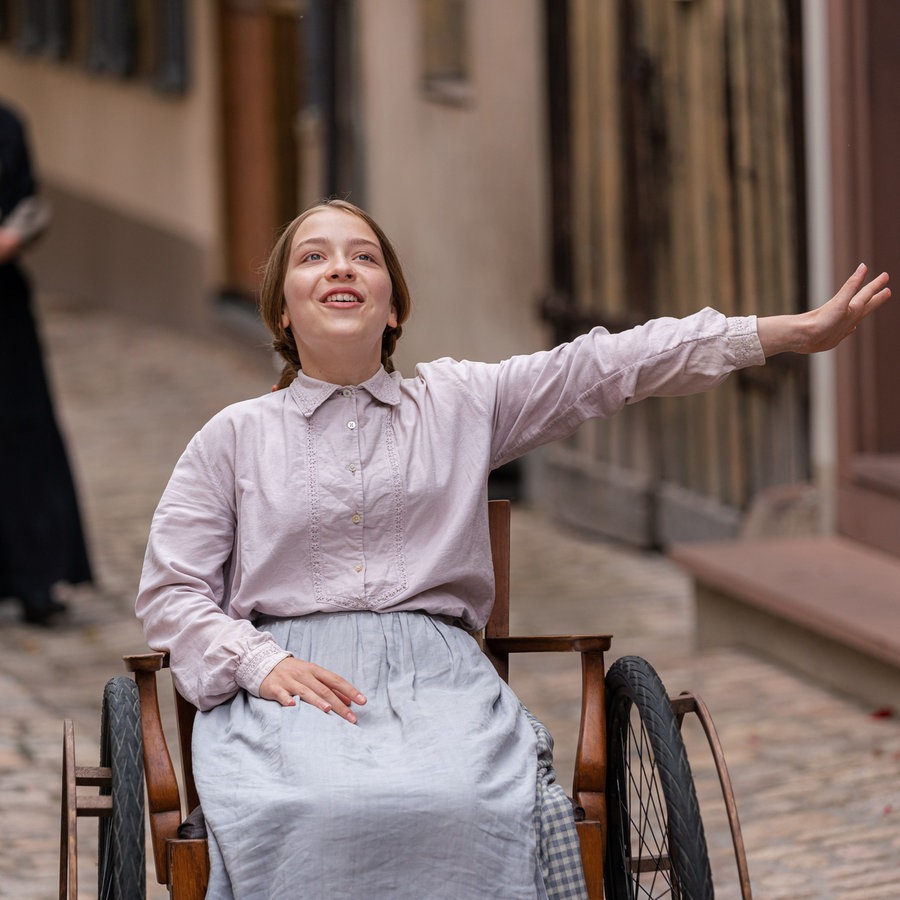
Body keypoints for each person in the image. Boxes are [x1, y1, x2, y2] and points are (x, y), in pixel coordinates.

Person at [136, 198, 890, 899]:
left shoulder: (461, 403)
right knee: (307, 805)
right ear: (281, 308)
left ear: (393, 308)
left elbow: (607, 365)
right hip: (292, 687)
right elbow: (172, 593)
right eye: (314, 257)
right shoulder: (232, 439)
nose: (340, 267)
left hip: (440, 682)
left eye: (364, 258)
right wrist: (260, 663)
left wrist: (776, 335)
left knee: (464, 799)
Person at [0, 101, 92, 626]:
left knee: (21, 434)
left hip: (3, 311)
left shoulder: (7, 124)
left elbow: (28, 204)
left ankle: (35, 578)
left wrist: (12, 238)